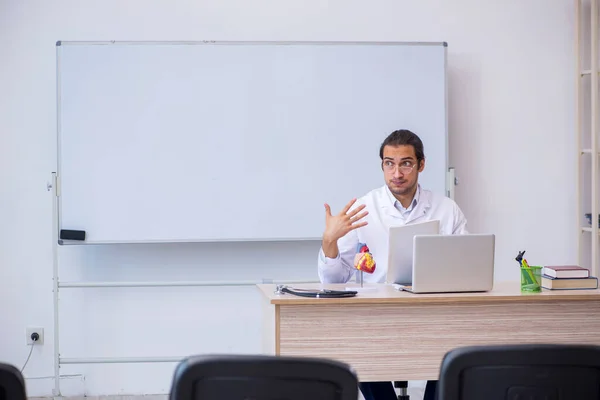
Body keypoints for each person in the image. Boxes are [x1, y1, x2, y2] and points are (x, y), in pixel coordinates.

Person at [317, 129, 468, 400]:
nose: (397, 173)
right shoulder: (363, 209)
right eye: (389, 163)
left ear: (421, 165)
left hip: (433, 313)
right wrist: (330, 240)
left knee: (457, 344)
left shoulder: (446, 209)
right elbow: (333, 281)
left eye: (406, 163)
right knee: (357, 344)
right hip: (377, 316)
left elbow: (467, 267)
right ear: (383, 166)